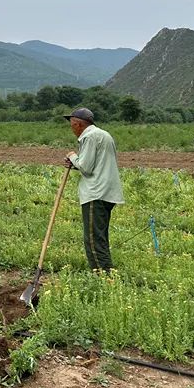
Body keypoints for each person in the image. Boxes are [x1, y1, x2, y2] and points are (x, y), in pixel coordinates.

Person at [64, 108, 124, 272]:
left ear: (78, 124)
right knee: (100, 236)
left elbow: (86, 167)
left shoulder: (89, 137)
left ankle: (102, 274)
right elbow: (96, 164)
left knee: (92, 238)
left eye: (72, 125)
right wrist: (76, 162)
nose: (72, 129)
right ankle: (105, 272)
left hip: (95, 193)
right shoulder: (103, 134)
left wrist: (72, 156)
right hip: (107, 191)